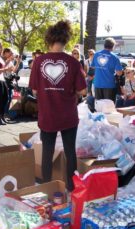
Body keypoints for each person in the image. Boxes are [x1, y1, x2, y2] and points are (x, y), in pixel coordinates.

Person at [29, 20, 87, 192]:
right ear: (66, 40)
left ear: (49, 40)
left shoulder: (39, 62)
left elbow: (33, 90)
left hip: (47, 114)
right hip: (68, 115)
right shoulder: (73, 63)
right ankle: (72, 187)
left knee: (47, 152)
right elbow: (83, 91)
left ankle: (47, 187)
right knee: (70, 152)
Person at [90, 37, 123, 102]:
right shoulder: (114, 57)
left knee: (99, 106)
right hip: (109, 85)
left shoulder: (96, 54)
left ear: (104, 45)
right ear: (113, 46)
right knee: (109, 108)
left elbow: (92, 67)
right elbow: (119, 73)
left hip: (98, 84)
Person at [2, 48, 22, 118]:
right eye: (10, 53)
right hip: (4, 80)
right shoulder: (2, 60)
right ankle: (3, 114)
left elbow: (14, 70)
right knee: (6, 98)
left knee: (9, 97)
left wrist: (18, 62)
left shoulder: (10, 61)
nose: (11, 55)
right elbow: (2, 67)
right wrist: (10, 59)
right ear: (5, 53)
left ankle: (5, 113)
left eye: (11, 53)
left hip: (9, 80)